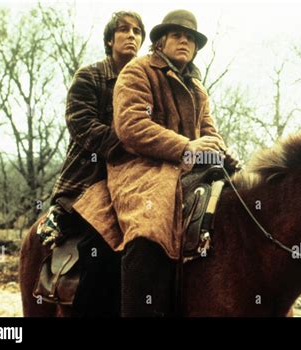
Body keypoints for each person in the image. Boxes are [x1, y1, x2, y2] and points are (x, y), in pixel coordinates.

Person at [106, 9, 238, 317]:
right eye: (177, 35)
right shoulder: (137, 72)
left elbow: (209, 131)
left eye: (190, 38)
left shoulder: (197, 88)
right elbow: (131, 126)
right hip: (140, 168)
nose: (185, 42)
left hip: (190, 168)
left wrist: (221, 151)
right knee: (149, 225)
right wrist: (187, 147)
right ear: (160, 42)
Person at [37, 11, 146, 316]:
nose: (132, 36)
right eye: (124, 30)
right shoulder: (91, 76)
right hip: (87, 182)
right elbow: (82, 124)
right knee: (102, 250)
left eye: (138, 32)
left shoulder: (146, 84)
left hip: (136, 182)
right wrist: (132, 143)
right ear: (110, 39)